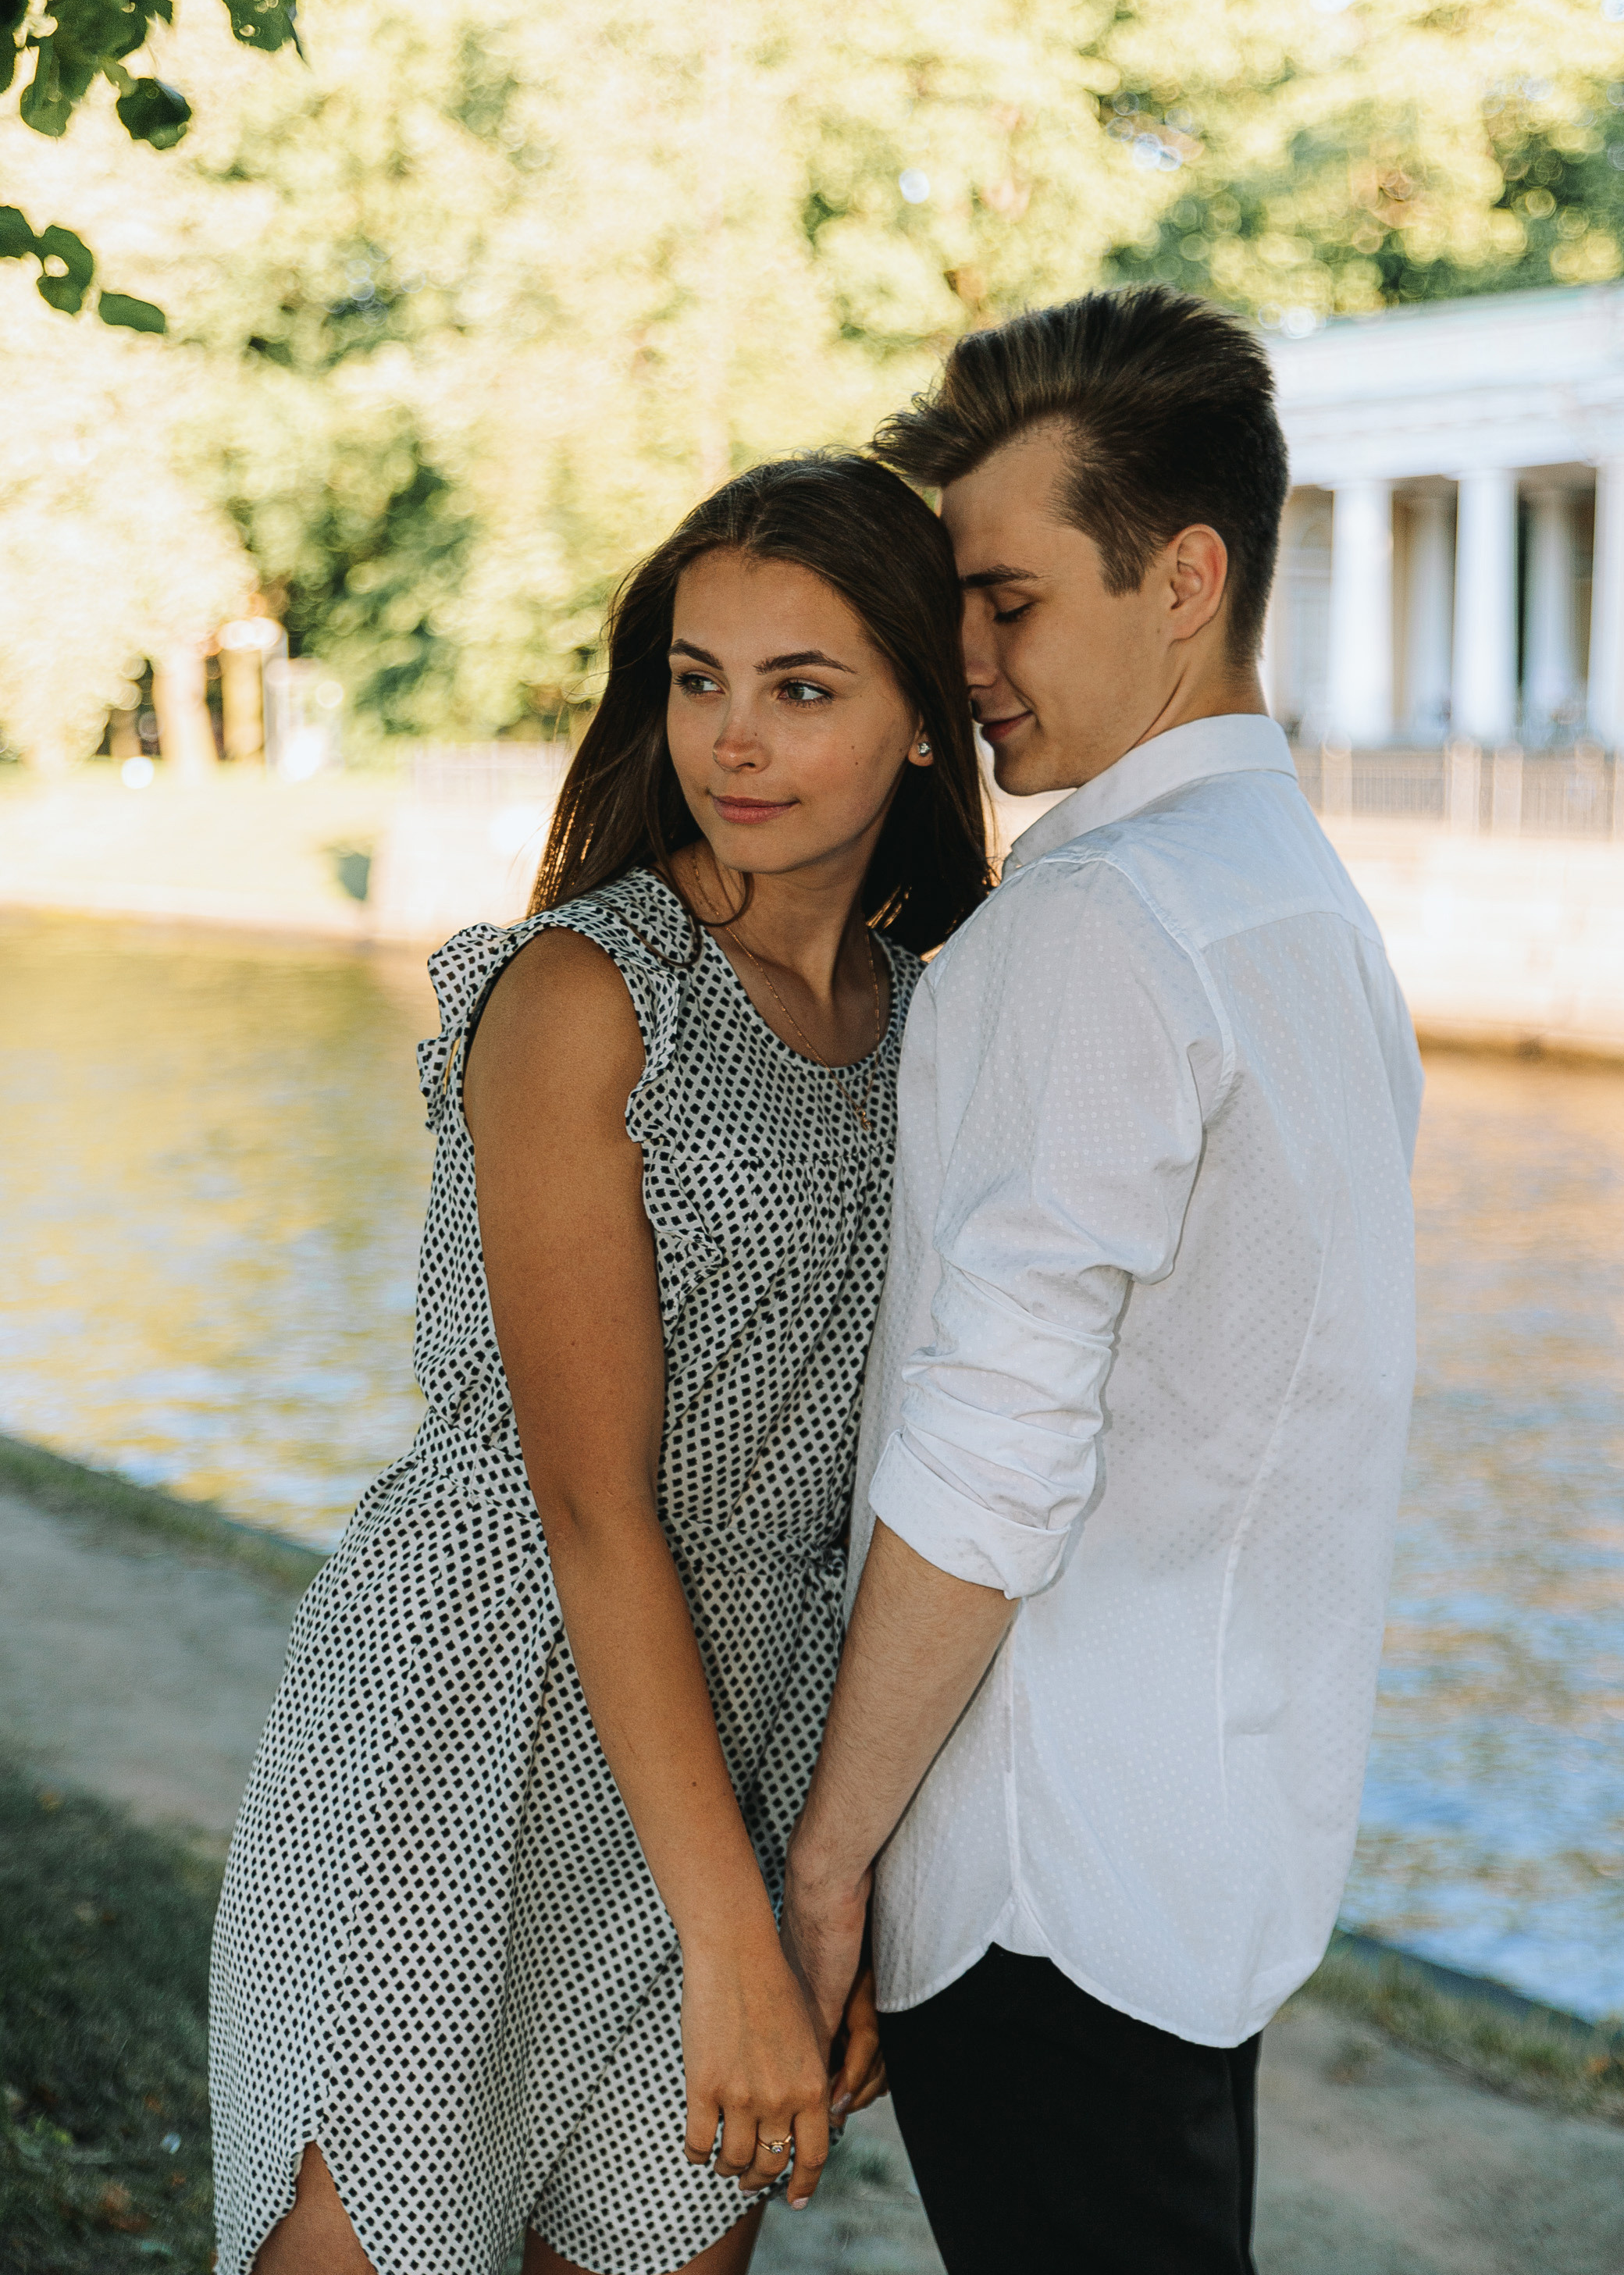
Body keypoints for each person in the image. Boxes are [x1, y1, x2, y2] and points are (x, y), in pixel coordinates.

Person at [209, 450, 989, 2275]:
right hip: (471, 1718)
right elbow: (585, 1506)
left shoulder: (942, 1033)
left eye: (802, 689)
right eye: (696, 677)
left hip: (755, 1731)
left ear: (924, 728)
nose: (733, 739)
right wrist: (736, 1938)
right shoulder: (583, 995)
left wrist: (830, 1875)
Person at [781, 289, 1426, 2274]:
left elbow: (992, 1452)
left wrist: (824, 1867)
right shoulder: (1296, 905)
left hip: (1039, 1881)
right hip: (1206, 1856)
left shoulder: (1100, 923)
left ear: (1184, 577)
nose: (961, 662)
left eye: (1007, 602)